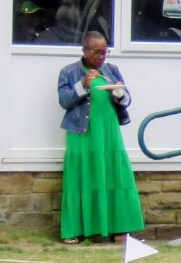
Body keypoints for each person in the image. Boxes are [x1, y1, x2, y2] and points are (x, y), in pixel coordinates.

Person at [56, 33, 143, 244]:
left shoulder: (111, 70)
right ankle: (76, 229)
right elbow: (64, 101)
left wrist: (119, 93)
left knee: (113, 175)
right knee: (82, 176)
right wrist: (83, 84)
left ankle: (120, 228)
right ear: (85, 50)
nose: (101, 57)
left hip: (109, 131)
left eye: (104, 52)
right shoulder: (69, 72)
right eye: (96, 52)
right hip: (83, 133)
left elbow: (126, 99)